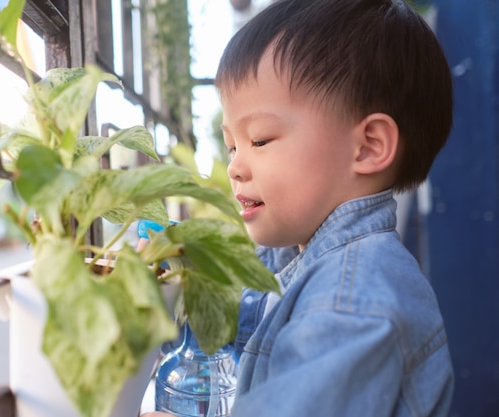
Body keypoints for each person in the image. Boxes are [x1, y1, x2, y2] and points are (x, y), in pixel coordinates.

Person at [143, 0, 454, 416]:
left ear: (368, 146)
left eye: (260, 140)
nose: (234, 166)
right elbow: (217, 327)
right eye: (232, 145)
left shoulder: (353, 303)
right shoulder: (294, 256)